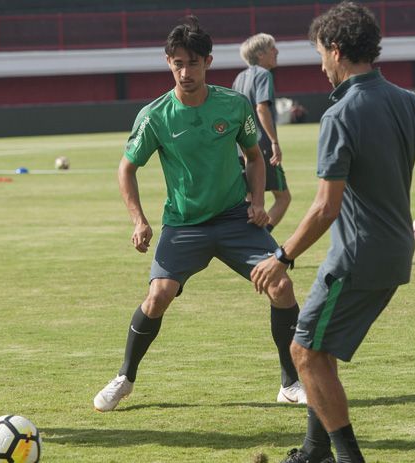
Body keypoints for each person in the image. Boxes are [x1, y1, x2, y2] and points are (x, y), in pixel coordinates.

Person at [249, 3, 415, 462]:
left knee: (305, 353)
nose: (320, 65)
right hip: (395, 254)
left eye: (320, 55)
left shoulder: (339, 115)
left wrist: (282, 256)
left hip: (355, 256)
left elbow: (325, 208)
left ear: (336, 51)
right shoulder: (408, 101)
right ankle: (315, 452)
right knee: (320, 349)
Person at [93, 16, 307, 413]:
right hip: (183, 224)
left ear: (207, 62)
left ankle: (290, 382)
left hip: (233, 220)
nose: (185, 71)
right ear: (168, 62)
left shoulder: (234, 105)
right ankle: (124, 377)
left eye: (192, 63)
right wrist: (138, 220)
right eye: (177, 63)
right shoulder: (155, 115)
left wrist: (257, 201)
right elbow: (126, 168)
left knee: (281, 287)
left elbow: (255, 157)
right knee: (158, 296)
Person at [232, 33, 291, 232]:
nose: (277, 52)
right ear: (260, 54)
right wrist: (274, 141)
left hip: (241, 147)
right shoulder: (263, 75)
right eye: (272, 48)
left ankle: (250, 242)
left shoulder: (239, 78)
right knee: (283, 197)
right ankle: (262, 238)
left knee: (251, 200)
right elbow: (261, 108)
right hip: (261, 145)